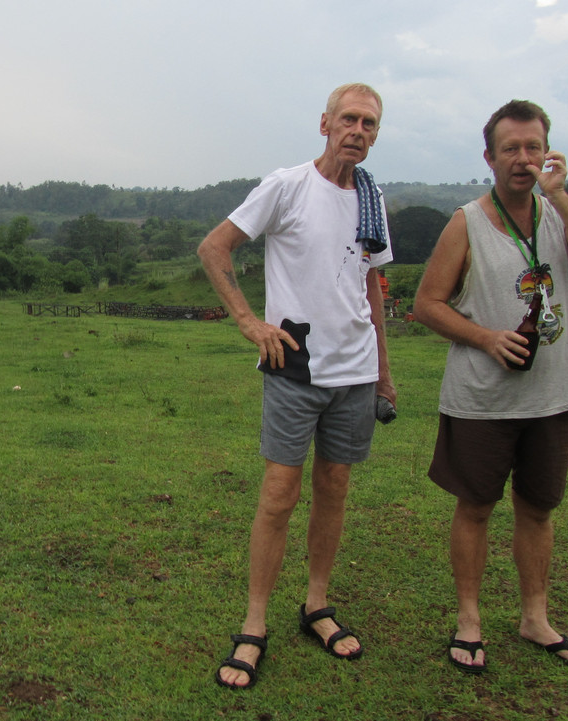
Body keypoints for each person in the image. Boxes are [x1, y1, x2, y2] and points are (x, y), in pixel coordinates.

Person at [197, 83, 395, 689]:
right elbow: (215, 247)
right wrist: (248, 321)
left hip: (356, 373)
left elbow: (371, 287)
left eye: (369, 123)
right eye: (348, 119)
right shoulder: (287, 186)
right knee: (279, 494)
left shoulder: (371, 199)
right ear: (324, 124)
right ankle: (254, 624)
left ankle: (316, 605)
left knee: (334, 487)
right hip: (295, 366)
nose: (357, 130)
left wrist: (385, 375)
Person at [413, 99, 568, 674]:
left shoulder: (560, 216)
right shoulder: (468, 222)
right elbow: (427, 304)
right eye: (511, 149)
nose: (523, 159)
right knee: (476, 507)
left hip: (553, 394)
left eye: (533, 147)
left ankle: (536, 618)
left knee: (538, 509)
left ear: (548, 153)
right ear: (490, 157)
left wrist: (559, 196)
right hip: (484, 397)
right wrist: (486, 338)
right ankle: (469, 620)